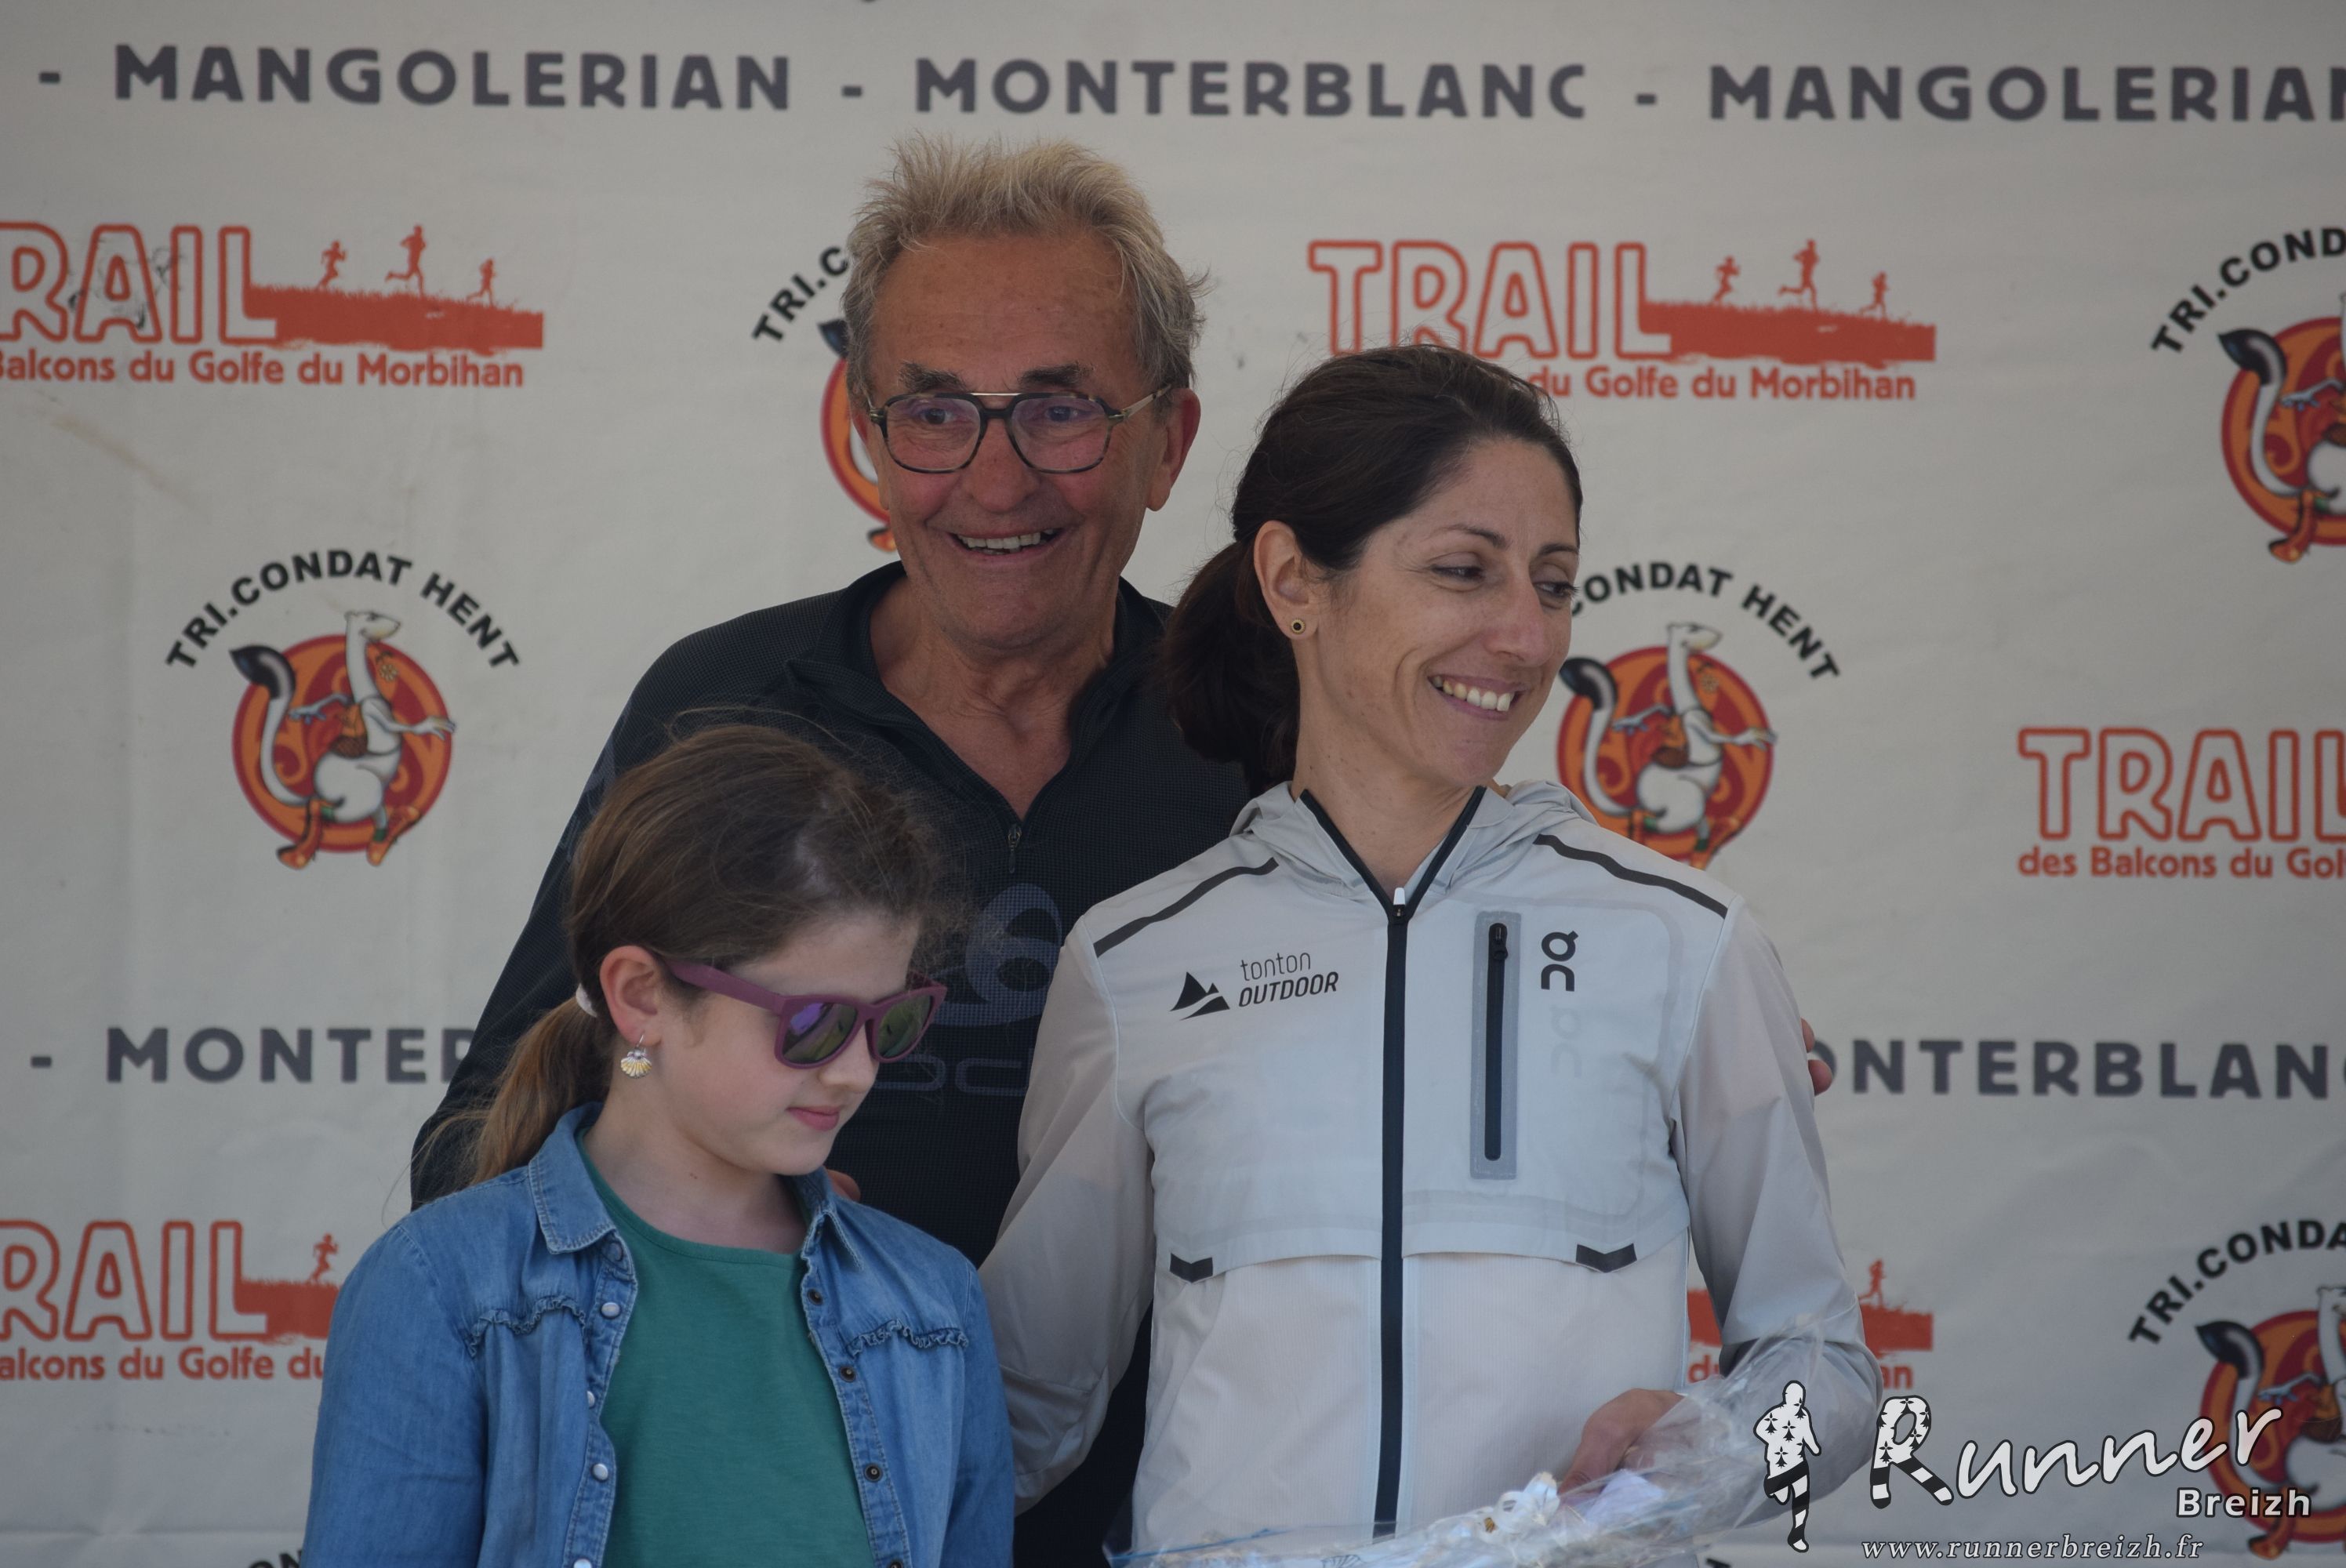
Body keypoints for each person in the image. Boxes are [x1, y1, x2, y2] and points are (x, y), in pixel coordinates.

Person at [411, 135, 1247, 1563]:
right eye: (935, 411)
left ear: (1166, 443)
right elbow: (484, 1136)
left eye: (1059, 411)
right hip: (767, 1506)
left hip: (1189, 1521)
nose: (994, 479)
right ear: (865, 434)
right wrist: (695, 1217)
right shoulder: (723, 706)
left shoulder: (1264, 734)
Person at [979, 345, 1878, 1552]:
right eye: (1464, 570)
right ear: (1294, 581)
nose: (1525, 636)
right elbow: (1021, 1407)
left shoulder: (1682, 939)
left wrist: (1705, 1451)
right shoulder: (1136, 960)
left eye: (1553, 585)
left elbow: (1827, 1368)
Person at [307, 726, 1011, 1567]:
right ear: (641, 996)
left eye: (890, 1020)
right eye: (815, 1024)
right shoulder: (441, 1285)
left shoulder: (934, 1301)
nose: (857, 1070)